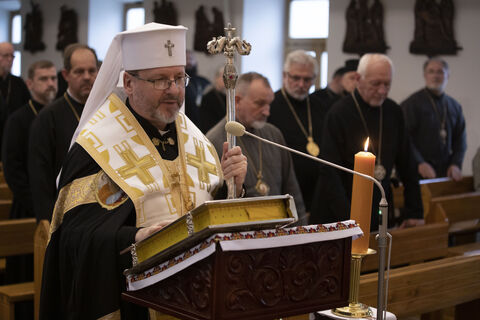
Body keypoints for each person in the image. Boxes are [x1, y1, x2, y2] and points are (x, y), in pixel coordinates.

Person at [40, 23, 247, 320]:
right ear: (129, 82)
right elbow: (72, 236)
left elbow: (217, 218)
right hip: (135, 302)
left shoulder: (197, 142)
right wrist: (132, 238)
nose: (174, 90)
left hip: (199, 296)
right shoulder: (98, 146)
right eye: (160, 80)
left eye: (178, 78)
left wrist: (235, 188)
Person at [310, 54, 424, 231]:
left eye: (387, 84)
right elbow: (330, 172)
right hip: (340, 210)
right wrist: (350, 221)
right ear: (358, 79)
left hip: (379, 205)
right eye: (376, 84)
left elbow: (408, 164)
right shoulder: (339, 113)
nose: (382, 91)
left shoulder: (394, 112)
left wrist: (414, 212)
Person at [207, 72, 307, 223]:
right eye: (260, 104)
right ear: (237, 101)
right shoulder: (213, 140)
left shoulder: (273, 134)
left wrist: (301, 232)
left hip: (280, 234)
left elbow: (292, 190)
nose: (267, 111)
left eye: (269, 104)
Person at [28, 43, 98, 222]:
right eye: (79, 71)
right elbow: (40, 179)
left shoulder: (106, 111)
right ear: (66, 75)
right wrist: (50, 223)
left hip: (99, 213)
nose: (87, 77)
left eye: (92, 70)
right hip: (64, 217)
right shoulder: (48, 118)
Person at [268, 50, 327, 212]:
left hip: (317, 193)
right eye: (296, 78)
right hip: (284, 191)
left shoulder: (320, 106)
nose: (301, 84)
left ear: (314, 79)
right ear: (284, 75)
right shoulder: (270, 106)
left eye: (307, 79)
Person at [401, 57, 466, 181]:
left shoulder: (454, 106)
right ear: (425, 75)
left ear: (448, 75)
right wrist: (419, 162)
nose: (435, 76)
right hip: (418, 171)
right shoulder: (411, 104)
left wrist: (456, 164)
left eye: (440, 72)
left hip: (446, 172)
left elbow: (460, 140)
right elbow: (405, 138)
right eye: (431, 71)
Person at [0, 42, 30, 156]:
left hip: (14, 136)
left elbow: (27, 108)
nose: (10, 59)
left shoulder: (18, 83)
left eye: (12, 56)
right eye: (6, 56)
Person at [184, 49, 210, 126]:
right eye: (186, 59)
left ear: (195, 62)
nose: (189, 62)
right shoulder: (178, 82)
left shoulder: (204, 81)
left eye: (191, 59)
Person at [199, 65, 226, 133]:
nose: (226, 80)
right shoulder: (208, 98)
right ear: (216, 78)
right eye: (223, 77)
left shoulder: (225, 97)